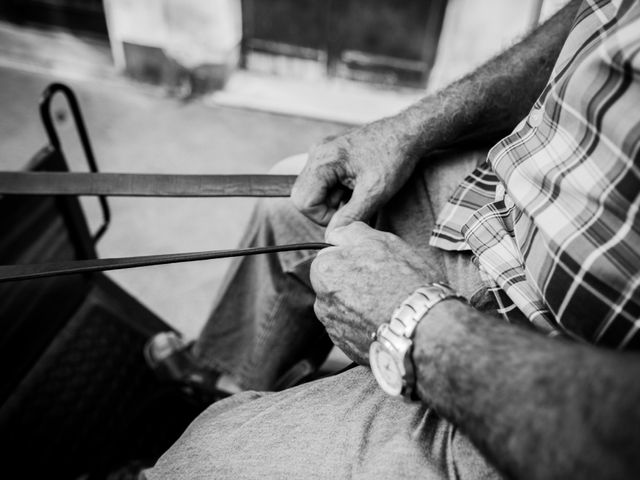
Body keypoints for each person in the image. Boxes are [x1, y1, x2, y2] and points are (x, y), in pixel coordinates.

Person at [144, 0, 640, 478]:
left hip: (556, 366)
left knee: (201, 458)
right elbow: (588, 18)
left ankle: (238, 417)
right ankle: (230, 383)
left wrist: (415, 322)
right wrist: (406, 130)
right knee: (293, 206)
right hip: (507, 200)